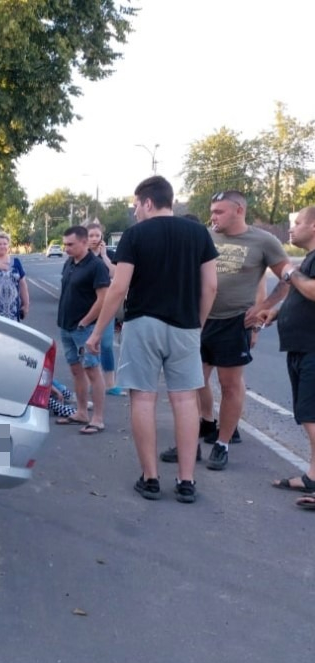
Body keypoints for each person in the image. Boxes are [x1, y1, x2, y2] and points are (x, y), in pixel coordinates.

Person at [86, 176, 218, 504]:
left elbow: (118, 287)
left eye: (135, 205)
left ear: (147, 202)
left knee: (144, 400)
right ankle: (186, 481)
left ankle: (150, 478)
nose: (134, 212)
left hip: (143, 323)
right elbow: (211, 286)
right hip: (185, 326)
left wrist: (98, 331)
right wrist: (196, 325)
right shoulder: (199, 233)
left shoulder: (135, 235)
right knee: (185, 401)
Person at [159, 190, 290, 470]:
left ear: (238, 210)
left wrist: (264, 306)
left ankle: (222, 444)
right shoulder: (204, 236)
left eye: (219, 211)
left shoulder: (263, 241)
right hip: (199, 321)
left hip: (234, 323)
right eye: (212, 211)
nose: (213, 217)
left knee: (230, 386)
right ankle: (189, 444)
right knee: (191, 384)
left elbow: (288, 278)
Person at [253, 206, 315, 508]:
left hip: (313, 348)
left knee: (313, 417)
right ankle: (312, 477)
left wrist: (290, 272)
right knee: (308, 415)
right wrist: (276, 313)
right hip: (300, 347)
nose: (292, 229)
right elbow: (300, 294)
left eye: (298, 223)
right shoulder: (311, 260)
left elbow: (313, 290)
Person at [56, 225, 109, 434]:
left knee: (93, 371)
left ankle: (97, 418)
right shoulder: (69, 263)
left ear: (84, 242)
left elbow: (103, 298)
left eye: (70, 244)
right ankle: (81, 412)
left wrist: (85, 322)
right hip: (66, 327)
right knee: (76, 371)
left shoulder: (96, 266)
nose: (66, 248)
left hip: (84, 329)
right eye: (65, 244)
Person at [86, 220, 125, 397]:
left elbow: (116, 275)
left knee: (107, 345)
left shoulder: (108, 253)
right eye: (90, 235)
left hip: (106, 306)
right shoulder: (82, 255)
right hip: (87, 307)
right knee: (88, 345)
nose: (94, 238)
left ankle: (110, 383)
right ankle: (90, 382)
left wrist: (105, 257)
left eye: (97, 235)